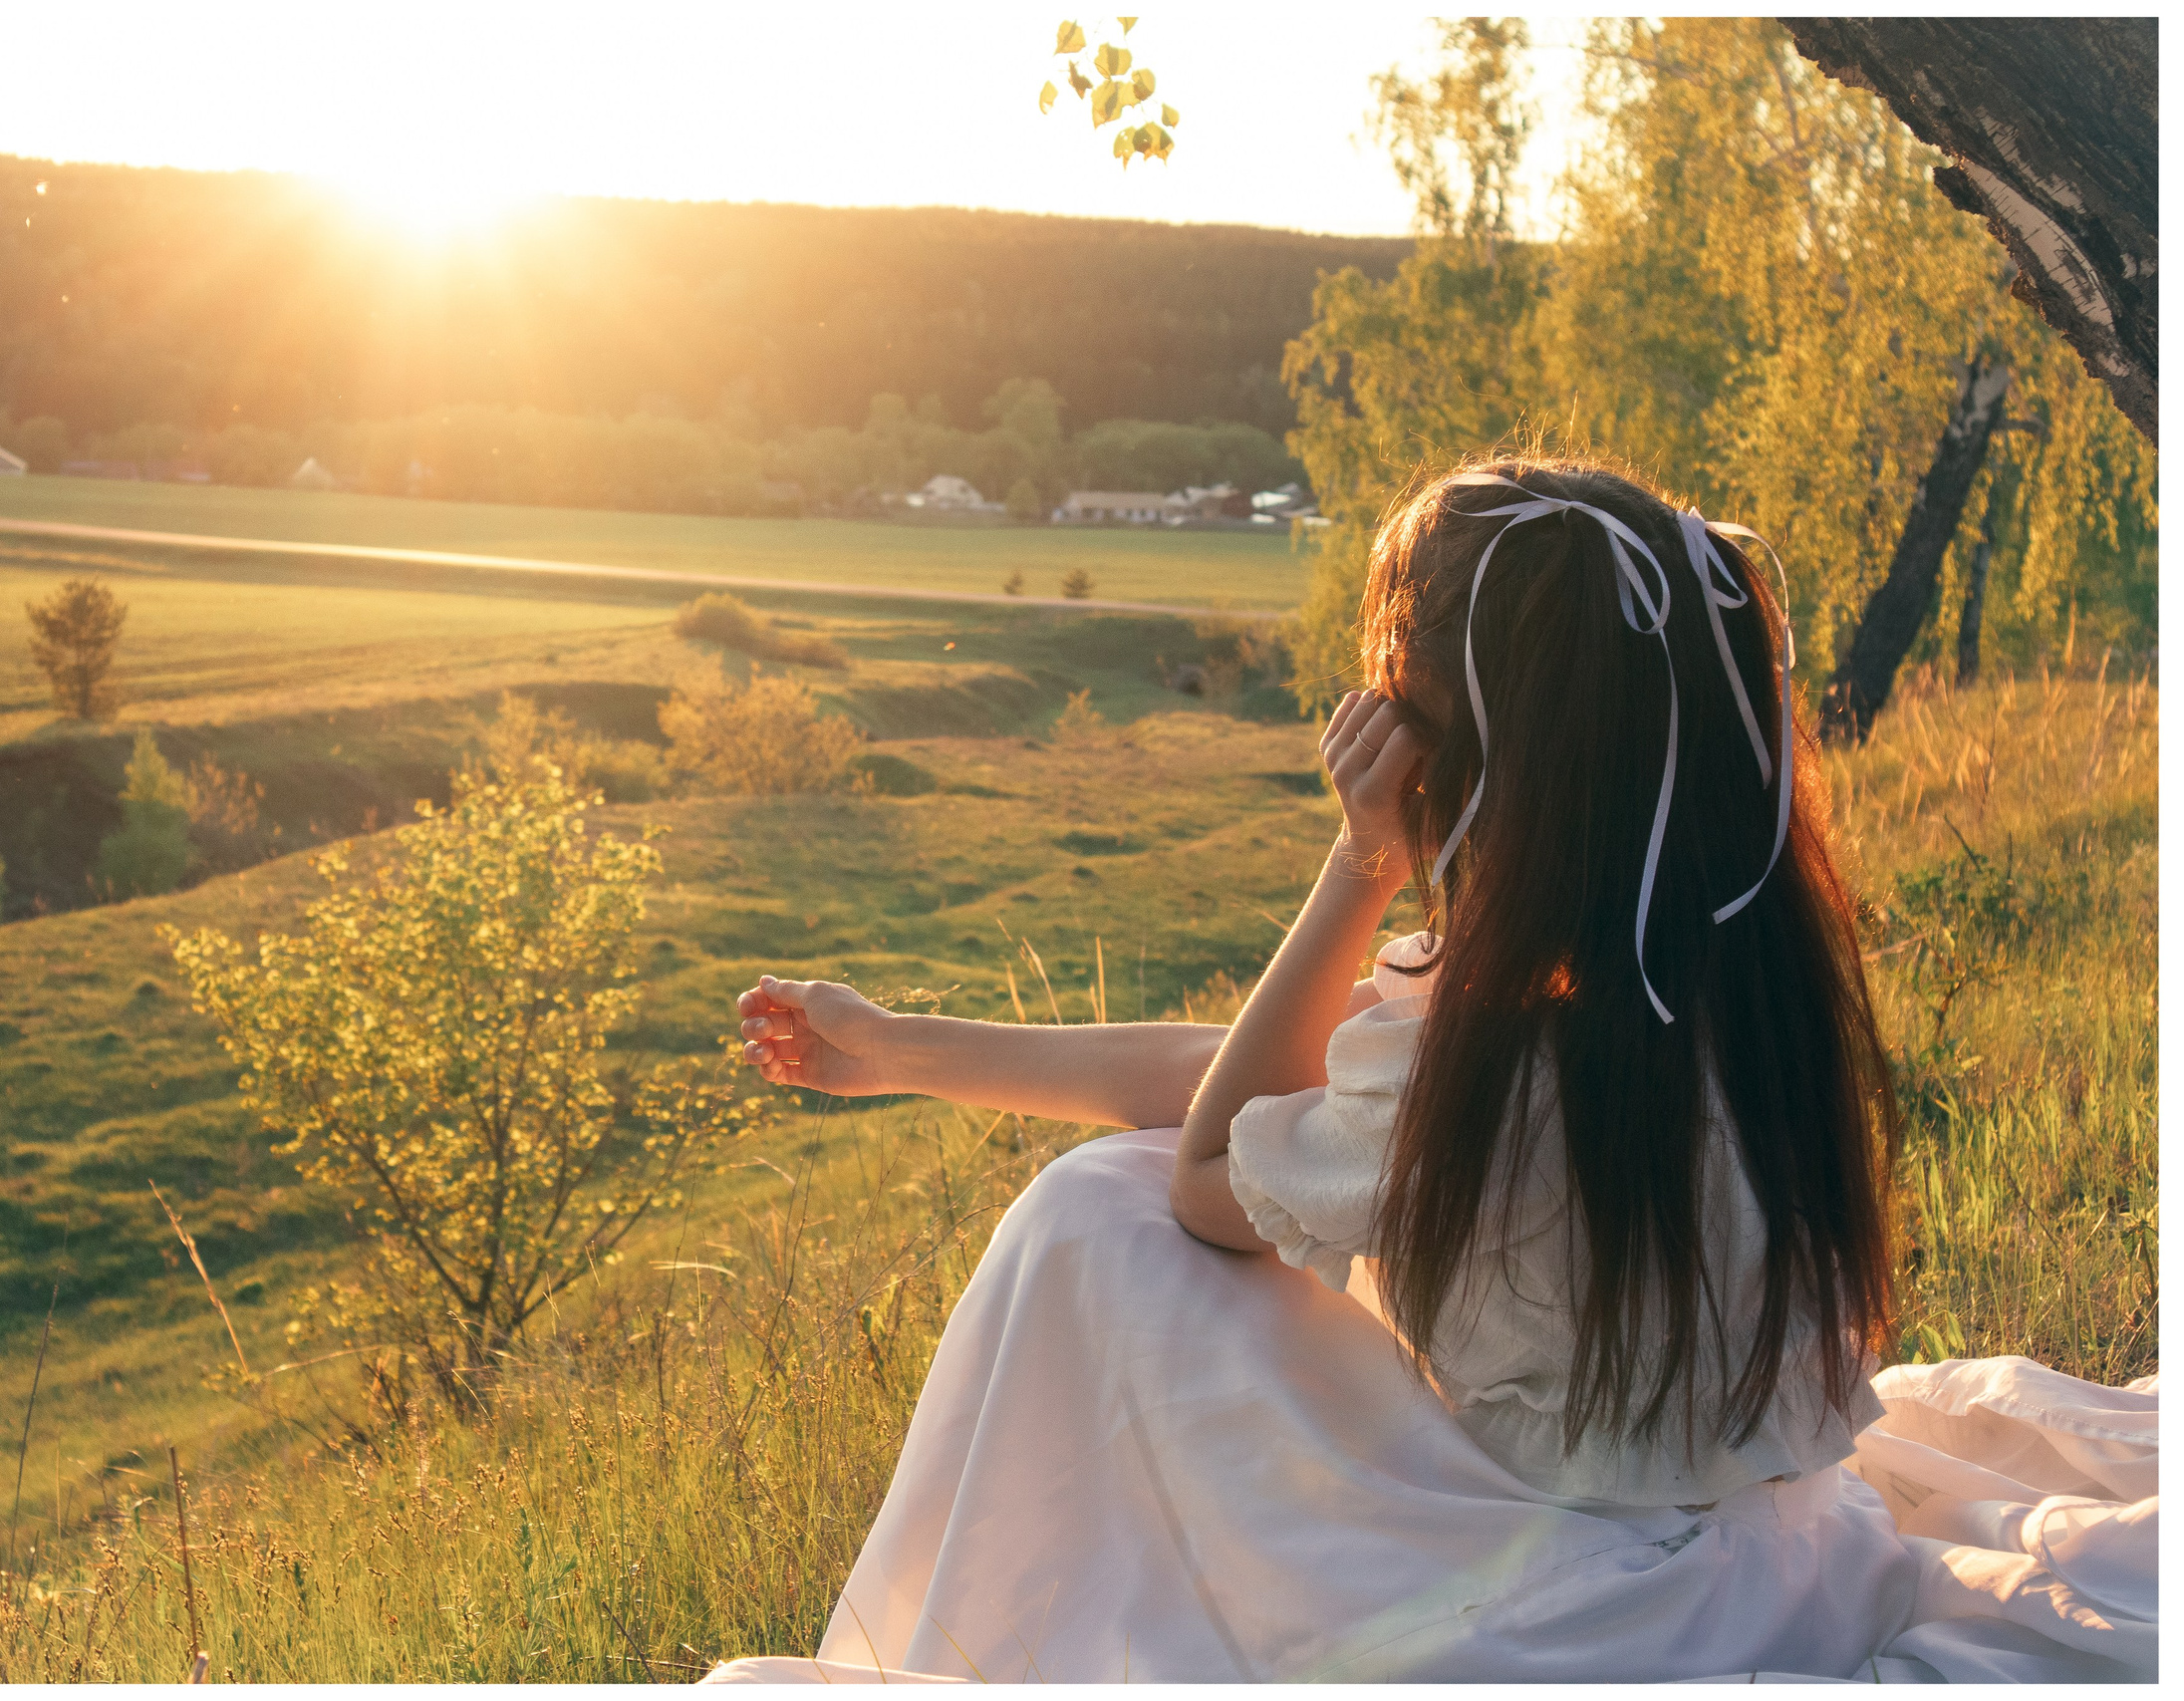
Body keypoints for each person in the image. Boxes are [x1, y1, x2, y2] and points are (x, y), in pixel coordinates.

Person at [701, 457, 2145, 1683]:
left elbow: (1216, 1164)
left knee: (1101, 1218)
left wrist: (1360, 863)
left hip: (1583, 1623)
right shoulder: (1731, 985)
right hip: (1774, 1561)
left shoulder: (1505, 1061)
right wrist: (901, 1047)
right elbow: (1264, 1091)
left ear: (1460, 762)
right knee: (1132, 1182)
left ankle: (992, 1637)